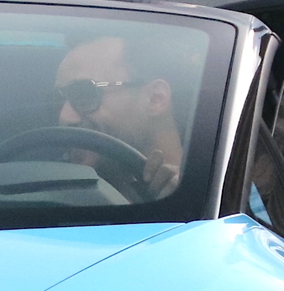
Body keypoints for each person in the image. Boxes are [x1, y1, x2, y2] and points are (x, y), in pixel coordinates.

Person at [52, 33, 185, 201]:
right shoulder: (51, 189)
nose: (65, 117)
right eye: (59, 99)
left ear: (155, 99)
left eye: (84, 94)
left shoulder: (220, 199)